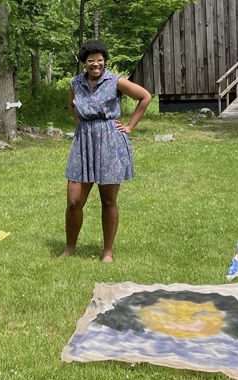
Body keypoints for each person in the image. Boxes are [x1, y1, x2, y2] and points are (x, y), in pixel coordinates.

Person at [60, 40, 151, 263]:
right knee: (73, 200)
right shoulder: (76, 83)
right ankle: (70, 247)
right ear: (84, 62)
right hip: (83, 143)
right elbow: (72, 105)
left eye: (100, 60)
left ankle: (107, 251)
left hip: (110, 142)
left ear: (104, 61)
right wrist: (79, 123)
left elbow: (145, 97)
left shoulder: (115, 81)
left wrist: (129, 127)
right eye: (91, 60)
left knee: (108, 200)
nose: (96, 64)